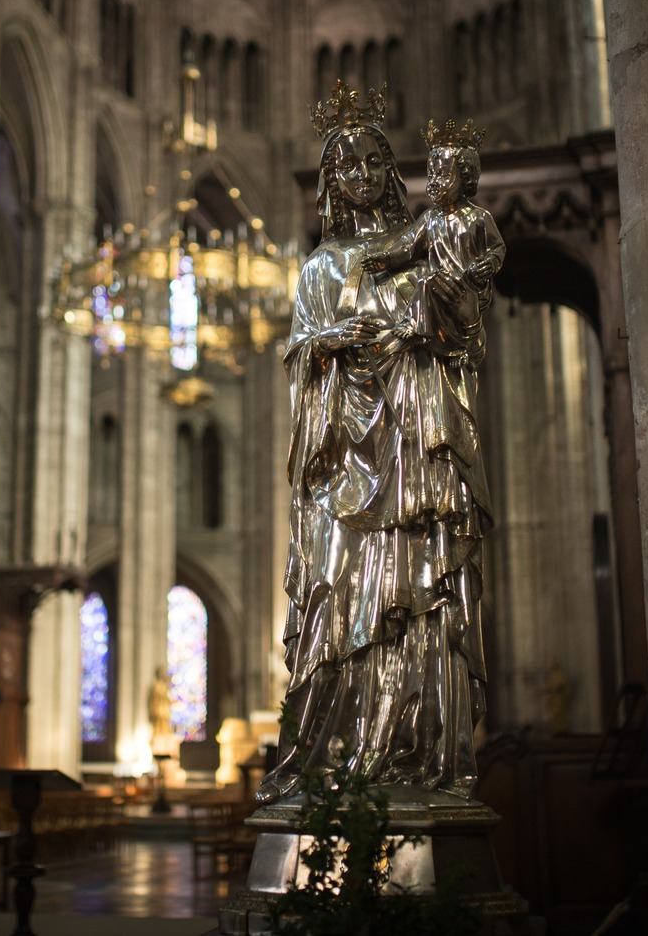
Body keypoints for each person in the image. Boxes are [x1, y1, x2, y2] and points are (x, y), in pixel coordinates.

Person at [256, 82, 495, 804]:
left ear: (392, 169)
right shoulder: (321, 269)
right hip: (344, 471)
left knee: (414, 602)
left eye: (370, 162)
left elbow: (463, 337)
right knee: (336, 600)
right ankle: (324, 758)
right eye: (345, 167)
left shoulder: (424, 241)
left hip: (410, 455)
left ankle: (415, 755)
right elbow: (299, 358)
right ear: (331, 183)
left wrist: (430, 325)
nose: (359, 177)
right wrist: (331, 340)